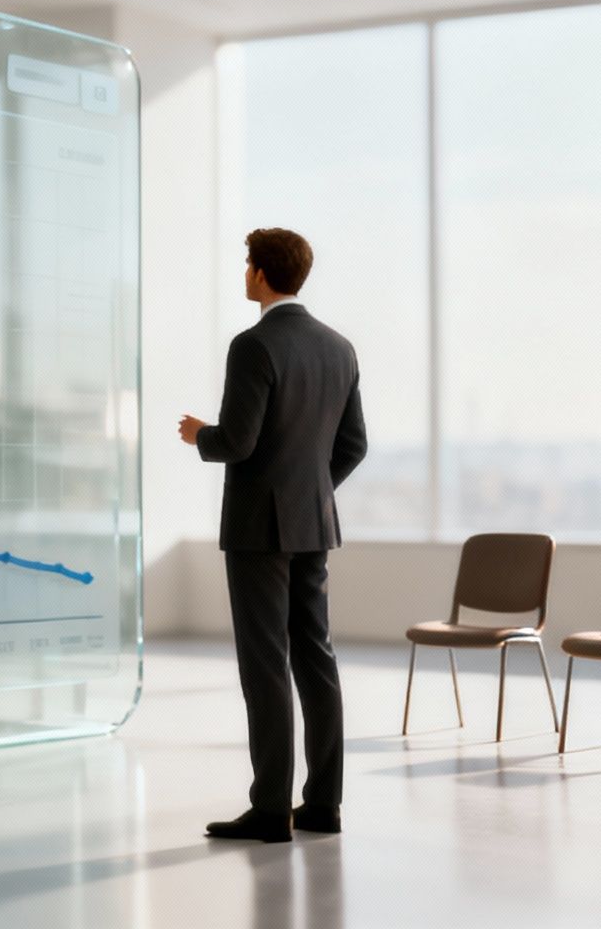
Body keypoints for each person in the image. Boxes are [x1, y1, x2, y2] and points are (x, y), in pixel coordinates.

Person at [179, 227, 365, 844]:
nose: (244, 273)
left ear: (261, 273)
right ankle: (324, 805)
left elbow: (238, 442)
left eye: (246, 264)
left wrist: (199, 434)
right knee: (317, 659)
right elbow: (353, 446)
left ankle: (269, 812)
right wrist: (309, 493)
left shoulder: (253, 345)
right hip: (314, 525)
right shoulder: (339, 348)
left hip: (259, 528)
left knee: (265, 665)